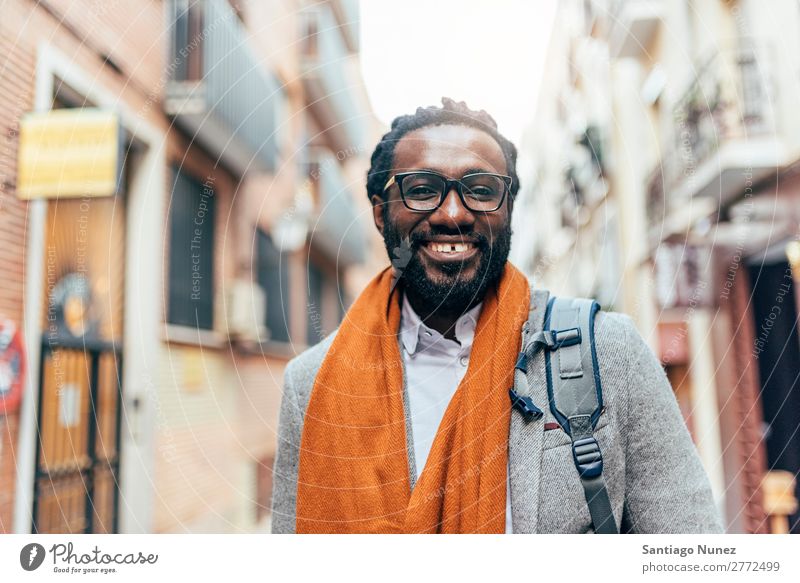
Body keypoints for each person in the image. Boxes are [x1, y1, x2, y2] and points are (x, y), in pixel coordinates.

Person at [270, 98, 722, 534]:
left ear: (508, 212)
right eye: (422, 189)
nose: (452, 214)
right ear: (380, 212)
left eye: (481, 190)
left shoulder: (608, 353)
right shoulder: (310, 386)